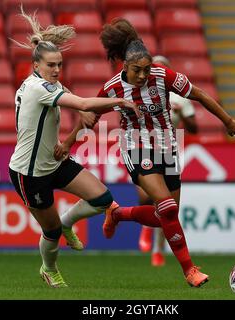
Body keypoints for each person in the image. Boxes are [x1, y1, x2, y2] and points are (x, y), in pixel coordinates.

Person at [96, 18, 235, 287]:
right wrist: (70, 139)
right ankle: (190, 269)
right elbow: (90, 111)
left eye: (146, 69)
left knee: (166, 215)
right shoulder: (112, 88)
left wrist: (228, 121)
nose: (143, 76)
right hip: (135, 145)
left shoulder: (163, 75)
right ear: (125, 66)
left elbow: (198, 94)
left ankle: (118, 213)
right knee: (165, 205)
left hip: (167, 146)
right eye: (137, 71)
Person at [8, 10, 141, 288]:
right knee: (51, 230)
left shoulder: (50, 85)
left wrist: (66, 141)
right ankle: (49, 268)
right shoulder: (37, 88)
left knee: (102, 199)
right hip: (29, 172)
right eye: (51, 65)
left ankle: (69, 222)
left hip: (53, 161)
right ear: (35, 65)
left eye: (59, 64)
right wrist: (120, 103)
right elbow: (82, 104)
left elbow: (78, 110)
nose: (56, 70)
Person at [137, 55, 198, 267]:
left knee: (167, 205)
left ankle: (158, 250)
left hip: (168, 151)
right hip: (143, 149)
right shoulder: (141, 92)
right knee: (146, 198)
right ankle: (146, 228)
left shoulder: (180, 97)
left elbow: (194, 128)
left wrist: (182, 114)